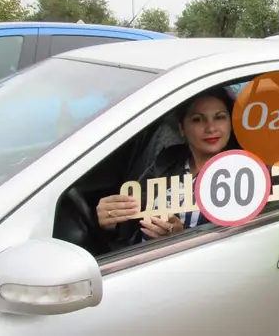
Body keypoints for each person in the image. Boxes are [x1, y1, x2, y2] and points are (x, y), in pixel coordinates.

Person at [95, 86, 240, 245]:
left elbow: (238, 240)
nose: (211, 128)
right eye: (198, 119)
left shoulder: (242, 171)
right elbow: (133, 213)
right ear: (182, 128)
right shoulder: (168, 160)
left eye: (220, 117)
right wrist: (112, 220)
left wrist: (182, 234)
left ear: (231, 124)